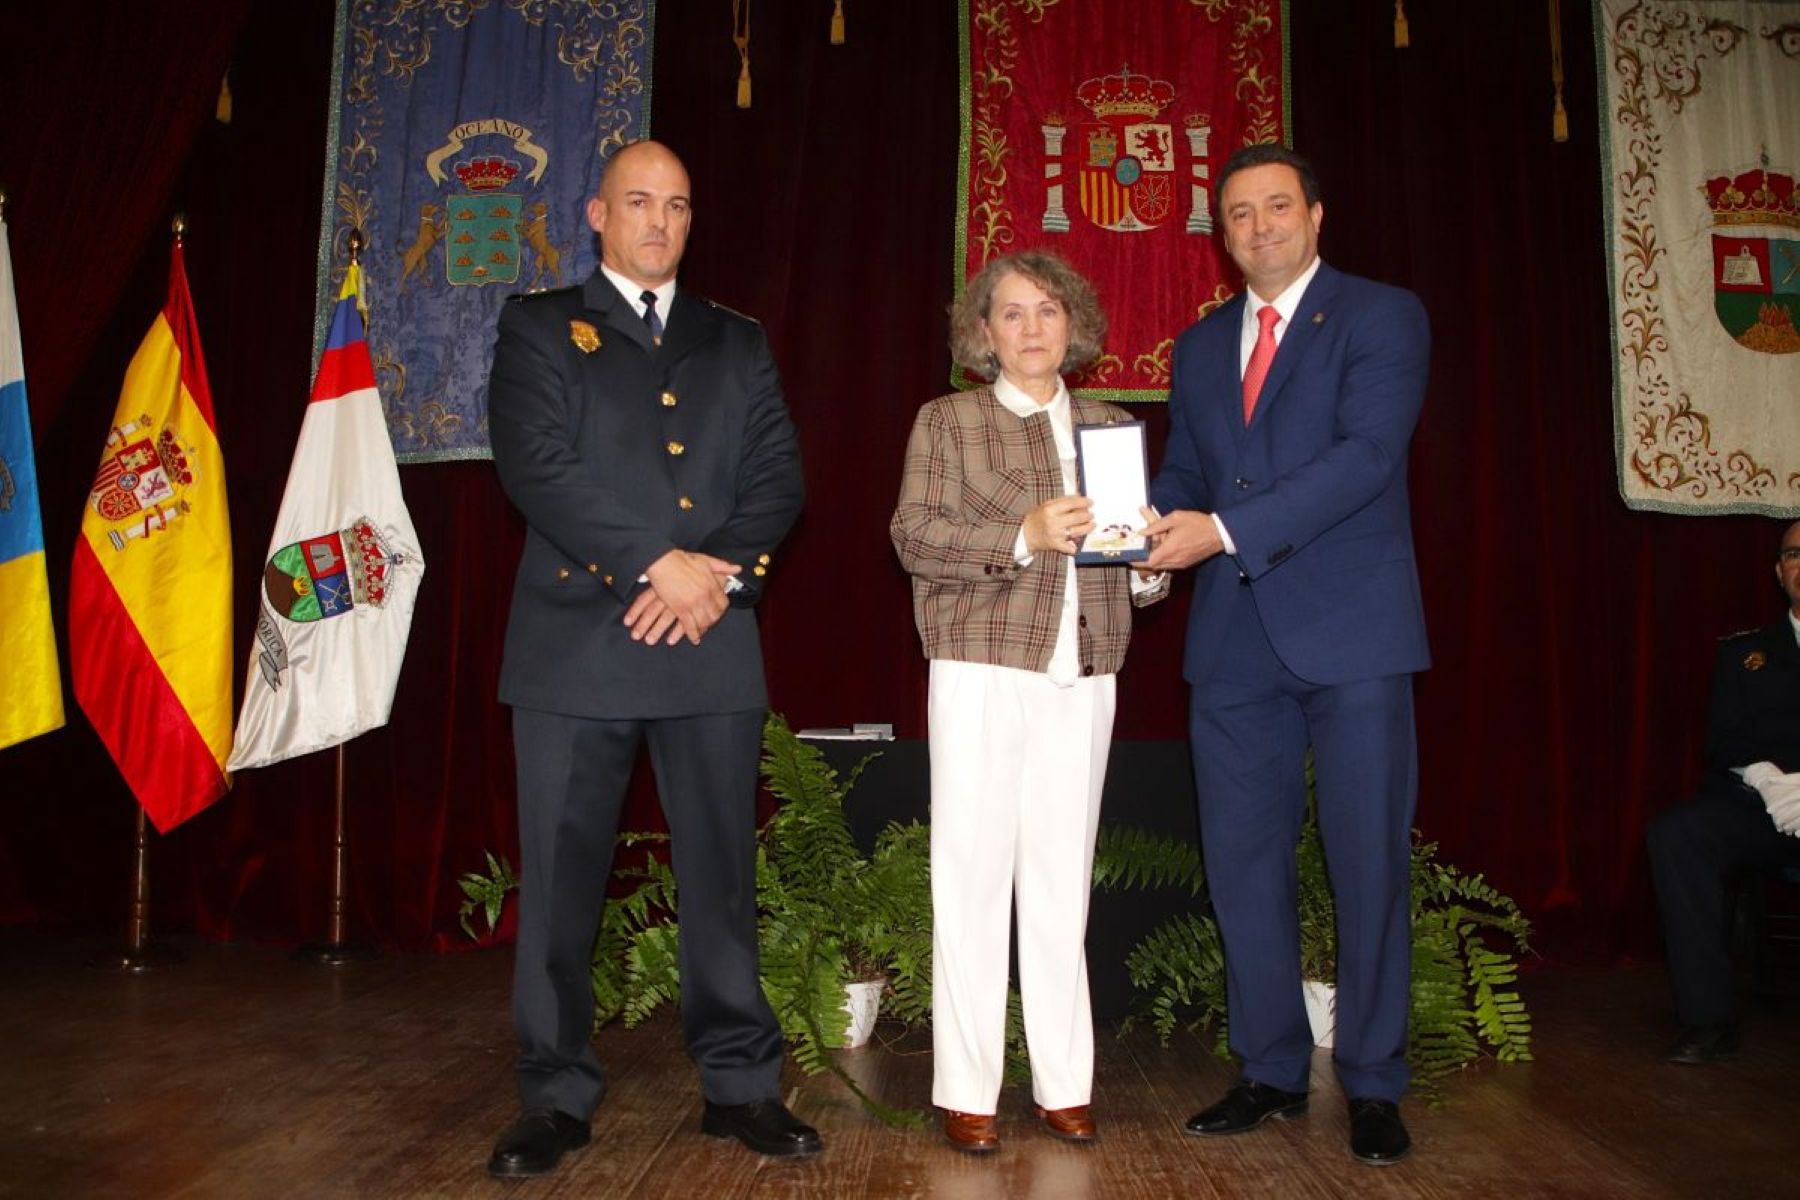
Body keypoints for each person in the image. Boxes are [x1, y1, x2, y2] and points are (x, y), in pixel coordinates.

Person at [484, 139, 814, 1178]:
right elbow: (535, 466)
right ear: (596, 213)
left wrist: (713, 577)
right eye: (639, 201)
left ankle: (741, 1085)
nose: (659, 222)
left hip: (710, 635)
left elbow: (777, 479)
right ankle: (554, 1094)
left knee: (719, 874)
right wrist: (651, 567)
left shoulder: (735, 339)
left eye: (676, 204)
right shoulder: (539, 327)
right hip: (578, 643)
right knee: (563, 878)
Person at [1141, 143, 1431, 1166]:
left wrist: (1217, 534)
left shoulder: (1381, 315)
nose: (1258, 227)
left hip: (1352, 632)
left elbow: (1365, 457)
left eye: (1276, 207)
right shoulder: (1199, 343)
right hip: (1230, 643)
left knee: (1366, 863)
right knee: (1244, 867)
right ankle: (1266, 1069)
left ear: (1315, 213)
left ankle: (1375, 1083)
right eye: (1237, 214)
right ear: (1220, 236)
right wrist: (1148, 540)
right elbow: (1183, 470)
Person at [891, 250, 1166, 1153]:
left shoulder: (1111, 426)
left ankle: (1062, 1082)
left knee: (1061, 886)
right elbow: (915, 536)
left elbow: (1134, 571)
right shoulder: (948, 421)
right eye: (1012, 313)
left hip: (1084, 675)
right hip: (980, 668)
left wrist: (1148, 559)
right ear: (984, 334)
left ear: (1073, 325)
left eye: (1048, 309)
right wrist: (1024, 532)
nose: (1033, 327)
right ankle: (967, 1087)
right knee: (970, 880)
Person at [1646, 519, 1800, 1063]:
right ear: (1779, 573)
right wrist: (1773, 782)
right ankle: (1708, 1017)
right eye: (1793, 555)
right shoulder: (1745, 655)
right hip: (1764, 808)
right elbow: (1724, 744)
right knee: (1677, 833)